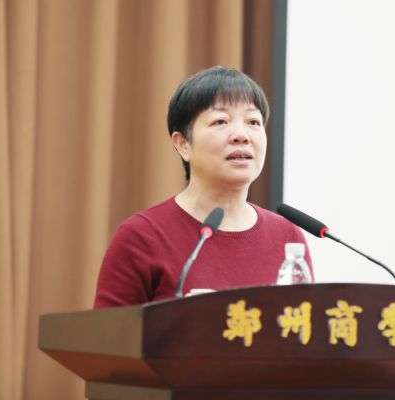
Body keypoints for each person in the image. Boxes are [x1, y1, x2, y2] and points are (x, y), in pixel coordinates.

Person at [93, 66, 313, 308]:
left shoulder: (287, 237)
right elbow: (107, 332)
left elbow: (305, 326)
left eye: (253, 122)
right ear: (183, 144)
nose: (242, 135)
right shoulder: (142, 237)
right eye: (221, 121)